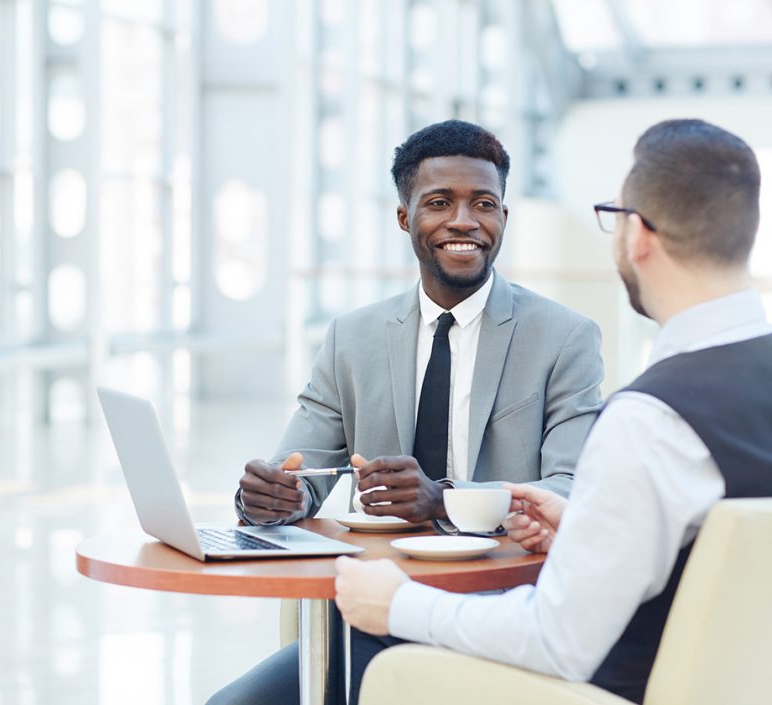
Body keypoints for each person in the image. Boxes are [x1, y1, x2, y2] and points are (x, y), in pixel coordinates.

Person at [334, 118, 772, 705]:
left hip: (610, 688)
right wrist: (583, 527)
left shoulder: (653, 418)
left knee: (368, 660)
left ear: (637, 235)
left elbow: (558, 640)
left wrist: (397, 601)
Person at [209, 120, 604, 704]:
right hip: (374, 615)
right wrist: (271, 497)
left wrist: (443, 496)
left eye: (484, 204)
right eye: (440, 203)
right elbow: (300, 472)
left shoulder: (565, 338)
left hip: (503, 616)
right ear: (404, 218)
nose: (464, 221)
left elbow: (571, 491)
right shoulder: (353, 337)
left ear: (503, 218)